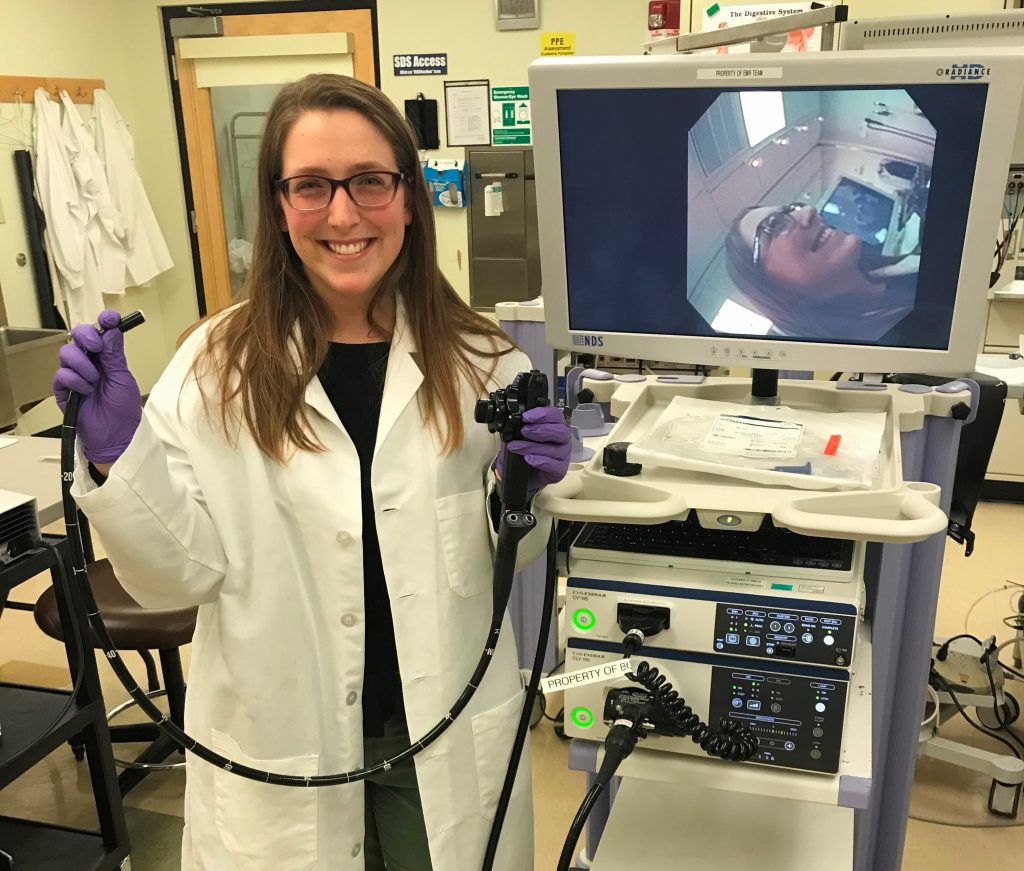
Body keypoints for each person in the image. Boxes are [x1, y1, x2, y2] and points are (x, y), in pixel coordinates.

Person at [51, 73, 570, 871]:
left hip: (441, 738)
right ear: (277, 203)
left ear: (406, 195)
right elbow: (172, 579)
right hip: (283, 750)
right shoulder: (212, 369)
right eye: (311, 187)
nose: (343, 213)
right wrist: (118, 455)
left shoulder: (483, 361)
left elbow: (501, 566)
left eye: (369, 181)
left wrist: (518, 496)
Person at [723, 202, 919, 341]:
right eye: (774, 224)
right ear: (768, 288)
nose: (809, 210)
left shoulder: (908, 268)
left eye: (793, 208)